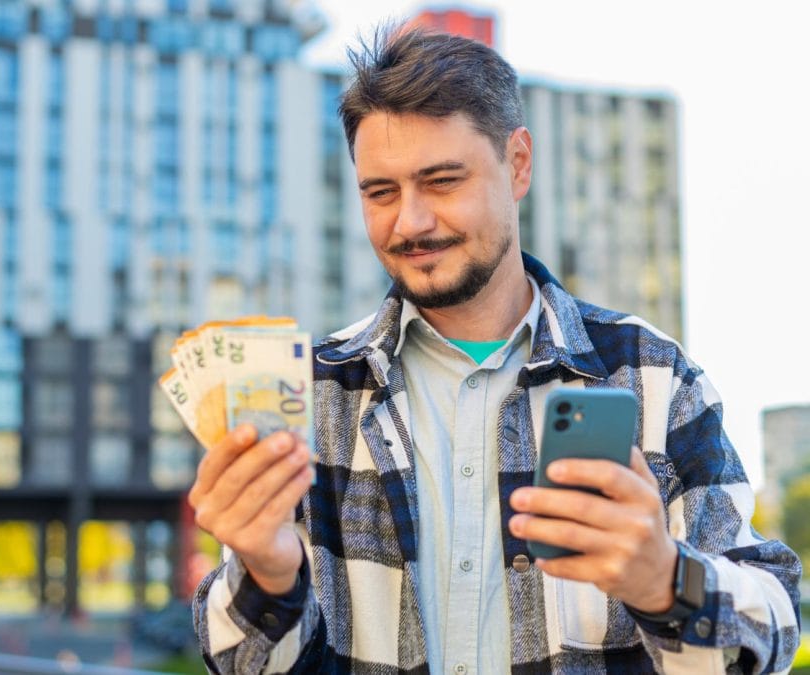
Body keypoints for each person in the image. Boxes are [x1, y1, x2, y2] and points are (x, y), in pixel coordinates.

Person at [187, 27, 802, 674]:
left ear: (518, 164)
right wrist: (268, 576)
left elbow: (774, 626)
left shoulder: (652, 377)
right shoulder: (313, 394)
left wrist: (664, 579)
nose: (410, 221)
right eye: (381, 192)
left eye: (442, 180)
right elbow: (244, 664)